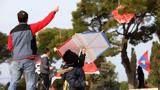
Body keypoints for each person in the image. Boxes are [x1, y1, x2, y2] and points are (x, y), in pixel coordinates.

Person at [8, 6, 59, 90]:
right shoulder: (31, 28)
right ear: (27, 19)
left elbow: (10, 47)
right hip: (28, 60)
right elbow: (44, 22)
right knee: (30, 83)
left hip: (16, 60)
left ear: (18, 19)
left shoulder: (12, 32)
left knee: (13, 82)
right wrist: (53, 12)